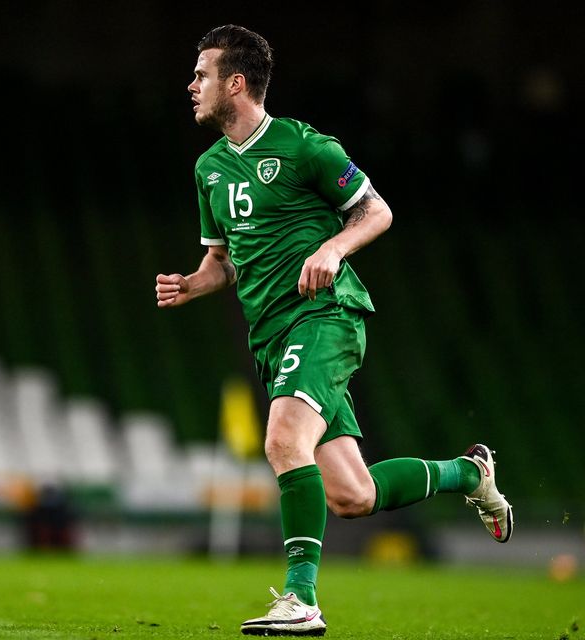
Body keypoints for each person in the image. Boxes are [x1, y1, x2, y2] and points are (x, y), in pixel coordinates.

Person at [155, 25, 513, 637]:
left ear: (235, 83)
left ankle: (301, 600)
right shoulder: (208, 168)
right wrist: (193, 283)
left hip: (324, 317)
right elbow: (224, 260)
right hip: (272, 338)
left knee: (282, 440)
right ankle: (469, 474)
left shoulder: (304, 146)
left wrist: (332, 249)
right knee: (353, 495)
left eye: (201, 75)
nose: (191, 85)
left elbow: (377, 211)